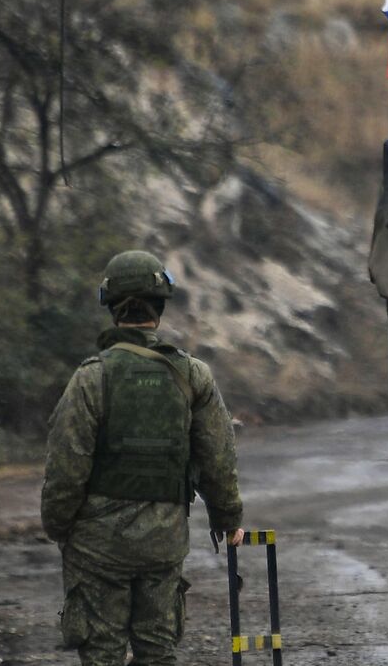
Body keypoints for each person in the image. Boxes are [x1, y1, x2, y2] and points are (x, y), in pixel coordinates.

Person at [43, 250, 245, 666]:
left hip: (97, 547)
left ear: (112, 307)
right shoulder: (192, 375)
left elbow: (66, 466)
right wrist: (229, 519)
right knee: (158, 652)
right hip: (163, 542)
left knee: (101, 653)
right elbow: (217, 458)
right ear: (160, 305)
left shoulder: (91, 377)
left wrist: (58, 525)